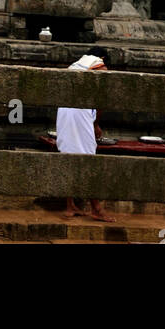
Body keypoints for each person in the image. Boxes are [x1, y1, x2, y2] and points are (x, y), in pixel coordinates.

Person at [56, 52, 114, 222]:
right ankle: (96, 208)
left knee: (69, 155)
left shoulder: (76, 64)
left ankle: (70, 205)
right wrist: (95, 123)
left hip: (64, 110)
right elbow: (102, 96)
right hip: (80, 113)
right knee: (88, 158)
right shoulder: (99, 64)